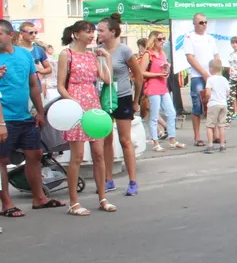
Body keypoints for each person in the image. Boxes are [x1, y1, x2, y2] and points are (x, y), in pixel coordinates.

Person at [0, 19, 65, 218]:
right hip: (4, 118)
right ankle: (7, 203)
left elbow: (34, 85)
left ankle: (39, 198)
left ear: (11, 35)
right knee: (2, 160)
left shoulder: (24, 55)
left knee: (34, 155)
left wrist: (40, 112)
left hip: (25, 116)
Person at [57, 21, 115, 215]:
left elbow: (107, 79)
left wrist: (106, 58)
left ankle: (103, 197)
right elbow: (60, 85)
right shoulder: (67, 54)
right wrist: (74, 103)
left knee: (99, 153)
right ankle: (74, 202)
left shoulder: (93, 55)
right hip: (75, 107)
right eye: (87, 32)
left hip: (93, 105)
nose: (92, 35)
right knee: (78, 156)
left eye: (93, 32)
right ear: (76, 34)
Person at [97, 13, 144, 197]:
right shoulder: (98, 50)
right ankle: (108, 180)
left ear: (112, 31)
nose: (97, 33)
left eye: (101, 30)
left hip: (123, 96)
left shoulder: (124, 50)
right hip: (105, 97)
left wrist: (136, 101)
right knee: (106, 140)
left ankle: (133, 181)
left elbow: (138, 76)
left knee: (125, 140)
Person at [140, 31, 183, 152]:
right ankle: (156, 142)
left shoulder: (162, 53)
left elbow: (164, 70)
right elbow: (141, 72)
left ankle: (172, 140)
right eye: (159, 39)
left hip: (163, 87)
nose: (162, 41)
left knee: (171, 112)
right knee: (154, 116)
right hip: (153, 87)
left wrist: (166, 70)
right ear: (153, 40)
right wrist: (158, 74)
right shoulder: (148, 54)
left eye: (163, 39)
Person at [182, 13, 220, 147]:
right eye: (201, 22)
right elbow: (190, 58)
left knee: (213, 105)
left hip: (211, 75)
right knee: (197, 105)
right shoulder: (189, 37)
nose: (204, 25)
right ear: (194, 24)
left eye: (205, 22)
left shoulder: (210, 38)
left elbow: (216, 56)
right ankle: (197, 137)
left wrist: (217, 73)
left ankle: (215, 135)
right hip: (197, 76)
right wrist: (204, 73)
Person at [17, 22, 51, 100]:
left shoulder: (39, 50)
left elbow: (49, 69)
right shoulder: (16, 50)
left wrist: (39, 70)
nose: (34, 35)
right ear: (21, 33)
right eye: (31, 33)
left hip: (36, 88)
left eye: (35, 32)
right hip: (21, 89)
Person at [202, 60, 230, 154]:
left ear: (210, 69)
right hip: (223, 104)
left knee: (210, 126)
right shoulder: (224, 79)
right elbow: (227, 93)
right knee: (221, 126)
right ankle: (222, 145)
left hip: (213, 104)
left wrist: (206, 99)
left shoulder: (210, 79)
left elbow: (208, 93)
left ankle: (210, 146)